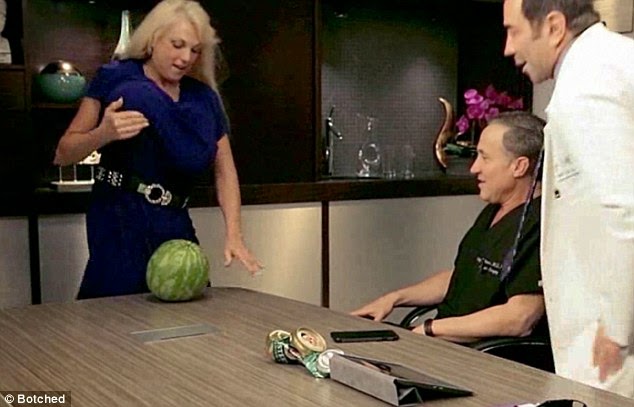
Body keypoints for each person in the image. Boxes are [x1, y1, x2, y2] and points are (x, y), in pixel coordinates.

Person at [54, 0, 263, 299]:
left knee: (186, 303)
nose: (185, 58)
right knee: (115, 310)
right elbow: (63, 153)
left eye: (194, 50)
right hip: (118, 216)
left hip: (174, 220)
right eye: (177, 45)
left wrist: (234, 234)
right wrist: (103, 134)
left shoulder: (203, 98)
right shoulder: (115, 77)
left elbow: (225, 171)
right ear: (153, 39)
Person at [503, 0, 634, 397]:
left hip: (614, 328)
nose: (508, 48)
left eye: (513, 31)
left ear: (554, 27)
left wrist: (617, 327)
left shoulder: (587, 85)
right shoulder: (614, 60)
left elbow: (620, 207)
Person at [352, 111, 547, 343]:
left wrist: (430, 329)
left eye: (484, 158)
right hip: (442, 338)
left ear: (519, 166)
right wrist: (394, 298)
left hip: (479, 354)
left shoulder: (541, 226)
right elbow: (463, 276)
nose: (474, 168)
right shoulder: (494, 210)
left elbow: (520, 318)